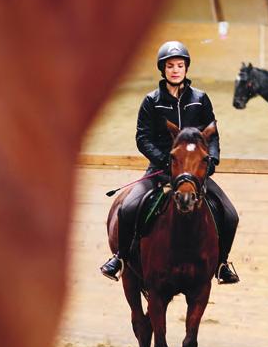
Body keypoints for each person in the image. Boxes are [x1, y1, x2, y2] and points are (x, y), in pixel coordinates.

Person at [100, 41, 240, 285]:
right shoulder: (151, 101)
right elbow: (142, 138)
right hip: (161, 170)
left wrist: (212, 160)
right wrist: (164, 160)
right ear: (163, 70)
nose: (175, 70)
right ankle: (120, 258)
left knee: (230, 214)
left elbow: (212, 134)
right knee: (128, 208)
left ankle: (222, 264)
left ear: (186, 68)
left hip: (195, 172)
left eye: (180, 65)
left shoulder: (200, 99)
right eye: (170, 66)